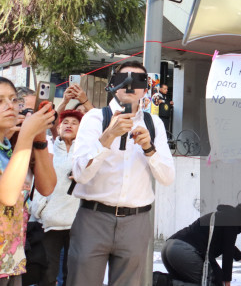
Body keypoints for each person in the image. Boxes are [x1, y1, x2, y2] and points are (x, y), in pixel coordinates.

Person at [67, 61, 175, 286]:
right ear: (113, 85)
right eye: (123, 79)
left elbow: (167, 178)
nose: (129, 85)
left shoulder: (153, 124)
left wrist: (149, 149)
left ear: (146, 89)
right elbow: (80, 175)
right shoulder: (95, 118)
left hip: (136, 221)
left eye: (138, 81)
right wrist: (107, 136)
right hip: (93, 218)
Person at [0, 77, 56, 286]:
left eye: (14, 100)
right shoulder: (18, 142)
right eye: (0, 101)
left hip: (11, 260)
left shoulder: (10, 147)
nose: (10, 107)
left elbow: (47, 187)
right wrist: (26, 134)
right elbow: (7, 195)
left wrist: (39, 137)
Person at [30, 110, 82, 286]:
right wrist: (40, 210)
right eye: (65, 122)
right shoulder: (48, 149)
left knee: (73, 274)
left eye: (74, 123)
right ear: (58, 127)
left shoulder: (85, 154)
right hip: (49, 223)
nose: (68, 125)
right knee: (46, 274)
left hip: (76, 223)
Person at [161, 201, 241, 286]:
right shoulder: (232, 222)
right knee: (212, 283)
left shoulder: (224, 215)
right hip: (183, 251)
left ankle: (160, 280)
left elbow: (226, 244)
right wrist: (227, 282)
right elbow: (228, 253)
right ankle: (163, 283)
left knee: (185, 280)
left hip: (169, 247)